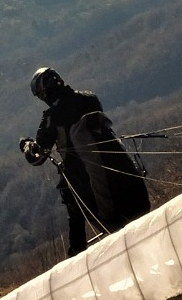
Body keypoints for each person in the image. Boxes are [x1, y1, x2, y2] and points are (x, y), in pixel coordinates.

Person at [19, 67, 150, 257]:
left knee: (70, 197)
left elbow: (36, 158)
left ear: (43, 94)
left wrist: (25, 144)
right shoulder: (90, 98)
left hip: (89, 184)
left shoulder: (51, 118)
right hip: (124, 171)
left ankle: (77, 255)